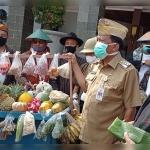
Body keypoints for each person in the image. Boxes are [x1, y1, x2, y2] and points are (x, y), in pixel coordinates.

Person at [63, 18, 141, 143]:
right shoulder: (96, 65)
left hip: (106, 140)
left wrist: (122, 138)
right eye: (97, 40)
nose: (97, 45)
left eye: (102, 41)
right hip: (86, 134)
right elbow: (86, 88)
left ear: (115, 47)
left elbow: (131, 108)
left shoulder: (128, 71)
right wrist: (74, 64)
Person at [73, 37, 98, 112]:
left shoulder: (102, 69)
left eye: (91, 53)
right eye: (87, 54)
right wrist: (74, 96)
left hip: (94, 104)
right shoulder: (85, 66)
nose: (88, 56)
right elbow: (77, 83)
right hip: (82, 101)